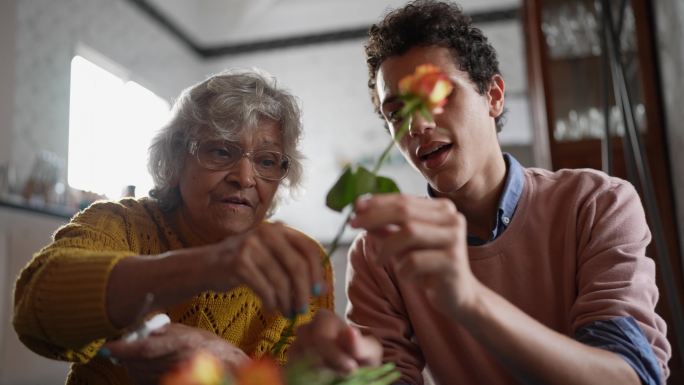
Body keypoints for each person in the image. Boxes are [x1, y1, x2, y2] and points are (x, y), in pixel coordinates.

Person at [289, 1, 670, 384]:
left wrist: (469, 300)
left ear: (494, 96)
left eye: (437, 96)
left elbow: (629, 376)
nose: (417, 124)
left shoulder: (597, 203)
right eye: (396, 113)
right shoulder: (379, 253)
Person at [13, 69, 333, 385]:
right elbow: (35, 308)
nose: (245, 177)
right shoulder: (121, 223)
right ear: (175, 159)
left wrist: (227, 369)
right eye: (221, 151)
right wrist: (208, 265)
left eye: (266, 160)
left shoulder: (302, 259)